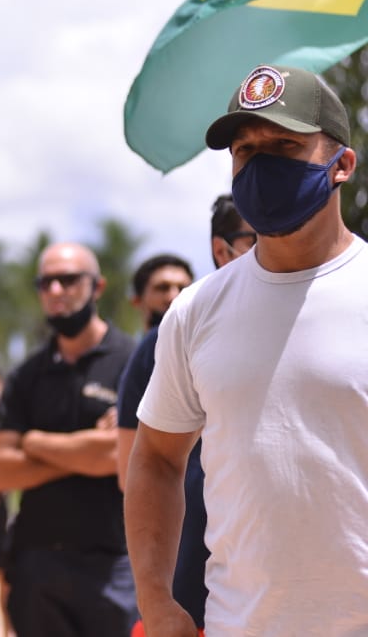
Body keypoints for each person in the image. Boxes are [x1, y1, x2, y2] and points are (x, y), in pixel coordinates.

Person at [127, 65, 368, 636]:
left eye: (285, 144)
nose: (260, 165)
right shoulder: (194, 311)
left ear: (343, 165)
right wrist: (157, 603)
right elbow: (157, 459)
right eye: (244, 151)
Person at [115, 197, 253, 633]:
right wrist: (157, 601)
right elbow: (135, 467)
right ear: (221, 249)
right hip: (194, 587)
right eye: (255, 235)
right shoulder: (176, 333)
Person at [0, 242, 138, 637]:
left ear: (98, 287)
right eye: (46, 282)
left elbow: (121, 456)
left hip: (114, 566)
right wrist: (88, 448)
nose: (56, 291)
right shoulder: (26, 375)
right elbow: (2, 471)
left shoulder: (132, 361)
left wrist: (35, 443)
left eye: (69, 280)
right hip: (38, 566)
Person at [127, 255, 193, 333]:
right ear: (137, 301)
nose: (174, 297)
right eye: (163, 288)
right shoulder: (122, 344)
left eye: (183, 289)